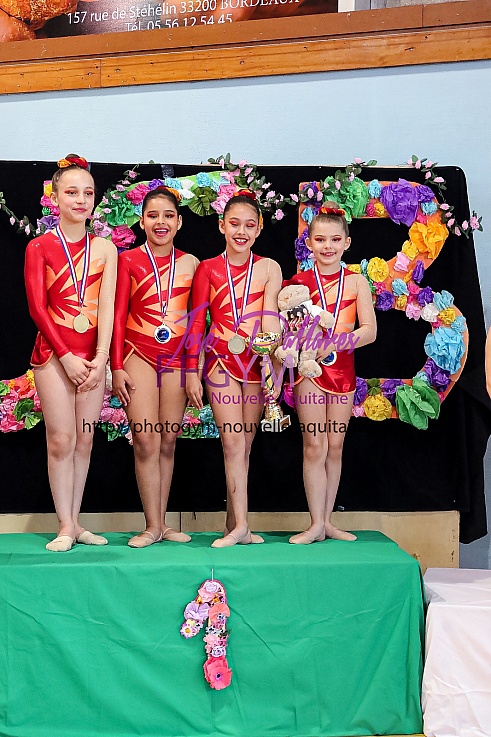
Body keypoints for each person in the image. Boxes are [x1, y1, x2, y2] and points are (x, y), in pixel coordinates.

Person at [24, 154, 117, 551]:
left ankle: (76, 523)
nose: (81, 200)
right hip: (53, 355)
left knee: (84, 441)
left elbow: (108, 307)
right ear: (55, 197)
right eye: (72, 192)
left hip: (92, 358)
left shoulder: (105, 249)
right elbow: (37, 308)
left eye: (88, 193)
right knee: (61, 439)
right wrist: (65, 355)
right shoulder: (39, 246)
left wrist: (101, 358)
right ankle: (64, 524)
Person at [186, 191, 283, 548]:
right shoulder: (208, 268)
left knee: (245, 446)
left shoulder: (269, 267)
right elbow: (196, 323)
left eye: (249, 225)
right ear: (222, 226)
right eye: (235, 224)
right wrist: (192, 371)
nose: (241, 231)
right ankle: (242, 524)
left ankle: (233, 523)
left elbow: (271, 317)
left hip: (256, 362)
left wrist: (273, 360)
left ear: (259, 229)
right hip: (220, 361)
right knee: (232, 442)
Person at [111, 187, 198, 548]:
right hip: (138, 353)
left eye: (168, 215)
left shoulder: (191, 263)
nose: (161, 222)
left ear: (179, 222)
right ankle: (151, 526)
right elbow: (117, 316)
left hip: (176, 358)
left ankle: (163, 525)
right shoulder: (128, 260)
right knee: (146, 439)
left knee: (168, 441)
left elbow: (197, 321)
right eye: (153, 215)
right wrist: (117, 365)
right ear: (142, 221)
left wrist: (192, 368)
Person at [285, 206, 377, 544]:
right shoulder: (298, 284)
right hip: (308, 373)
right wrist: (303, 343)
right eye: (320, 239)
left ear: (346, 243)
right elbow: (288, 332)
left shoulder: (357, 281)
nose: (328, 246)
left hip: (343, 374)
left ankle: (326, 522)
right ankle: (314, 524)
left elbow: (370, 331)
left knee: (335, 446)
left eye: (335, 240)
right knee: (314, 445)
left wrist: (337, 342)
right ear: (309, 243)